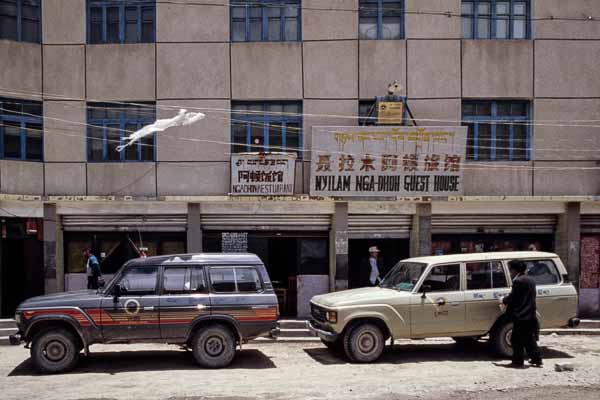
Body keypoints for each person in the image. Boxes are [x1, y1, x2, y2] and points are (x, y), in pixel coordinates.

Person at [500, 260, 543, 368]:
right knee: (529, 339)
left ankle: (518, 362)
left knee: (516, 340)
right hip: (530, 314)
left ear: (515, 270)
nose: (510, 272)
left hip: (521, 316)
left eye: (510, 269)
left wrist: (503, 299)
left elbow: (514, 298)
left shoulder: (518, 281)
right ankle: (537, 359)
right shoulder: (530, 280)